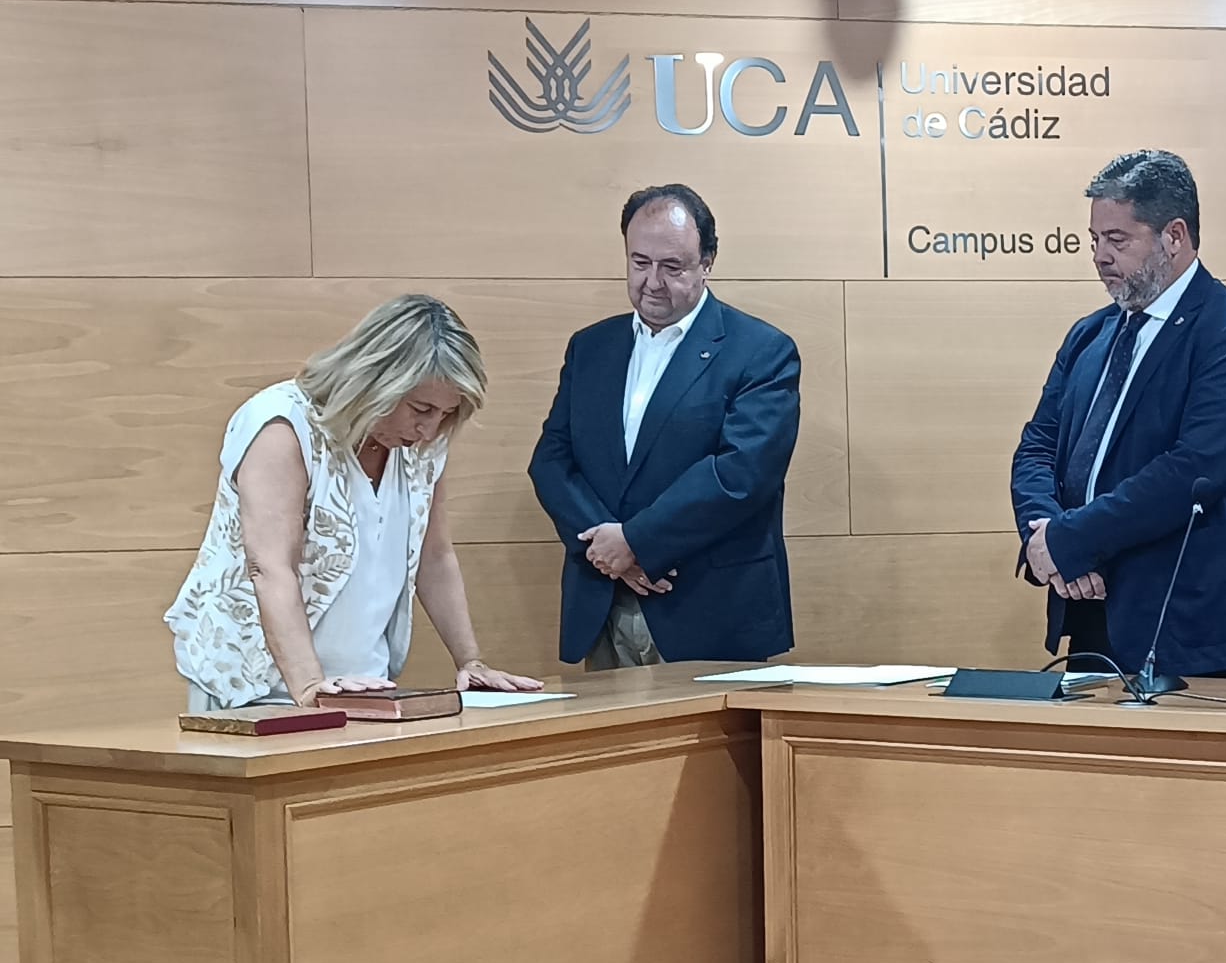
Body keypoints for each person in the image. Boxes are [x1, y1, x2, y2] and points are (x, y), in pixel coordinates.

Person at [166, 294, 544, 709]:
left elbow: (434, 556)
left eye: (445, 413)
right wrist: (309, 685)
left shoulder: (423, 445)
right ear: (377, 380)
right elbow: (270, 566)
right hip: (253, 686)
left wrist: (470, 660)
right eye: (421, 408)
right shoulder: (282, 424)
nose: (430, 428)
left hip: (363, 684)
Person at [1009, 149, 1226, 680]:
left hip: (1192, 628)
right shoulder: (1090, 334)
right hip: (1089, 606)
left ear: (1174, 236)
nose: (1099, 256)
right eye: (1094, 240)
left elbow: (1191, 472)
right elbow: (1038, 446)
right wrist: (1044, 533)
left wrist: (1070, 542)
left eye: (1117, 240)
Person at [528, 184, 802, 668]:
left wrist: (636, 541)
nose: (652, 282)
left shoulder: (761, 351)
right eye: (639, 263)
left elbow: (740, 475)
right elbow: (552, 460)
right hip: (604, 600)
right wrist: (607, 549)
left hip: (710, 611)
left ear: (707, 262)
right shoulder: (590, 348)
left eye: (672, 267)